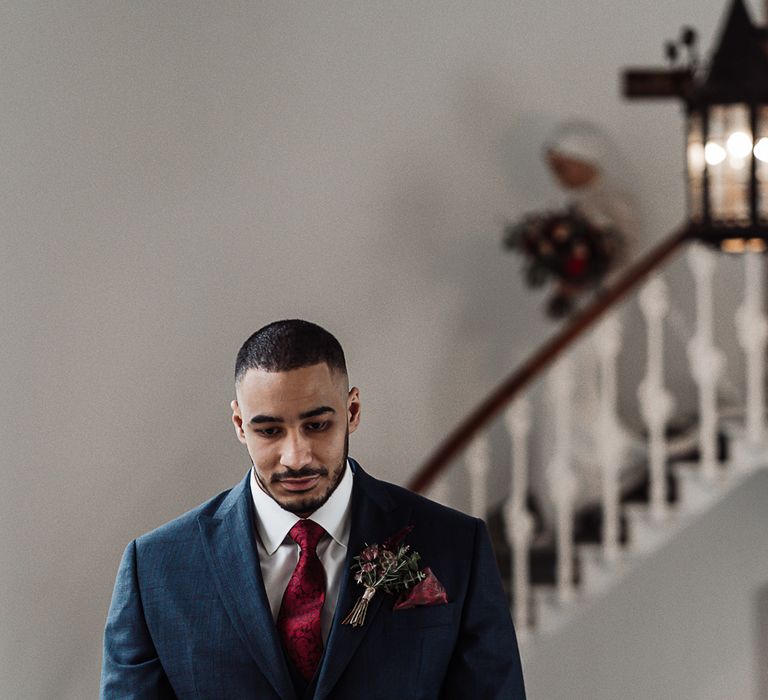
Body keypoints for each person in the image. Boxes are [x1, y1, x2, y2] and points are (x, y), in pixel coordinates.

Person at [100, 319, 526, 699]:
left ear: (352, 410)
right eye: (269, 430)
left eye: (317, 425)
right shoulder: (155, 568)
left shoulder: (456, 546)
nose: (296, 456)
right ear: (239, 425)